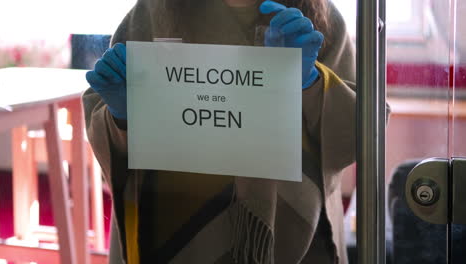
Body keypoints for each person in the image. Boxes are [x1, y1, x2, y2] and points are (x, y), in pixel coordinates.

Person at [84, 0, 356, 263]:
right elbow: (106, 116)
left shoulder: (322, 19)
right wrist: (123, 114)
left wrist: (310, 83)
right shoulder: (153, 10)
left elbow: (355, 134)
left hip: (294, 238)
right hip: (174, 227)